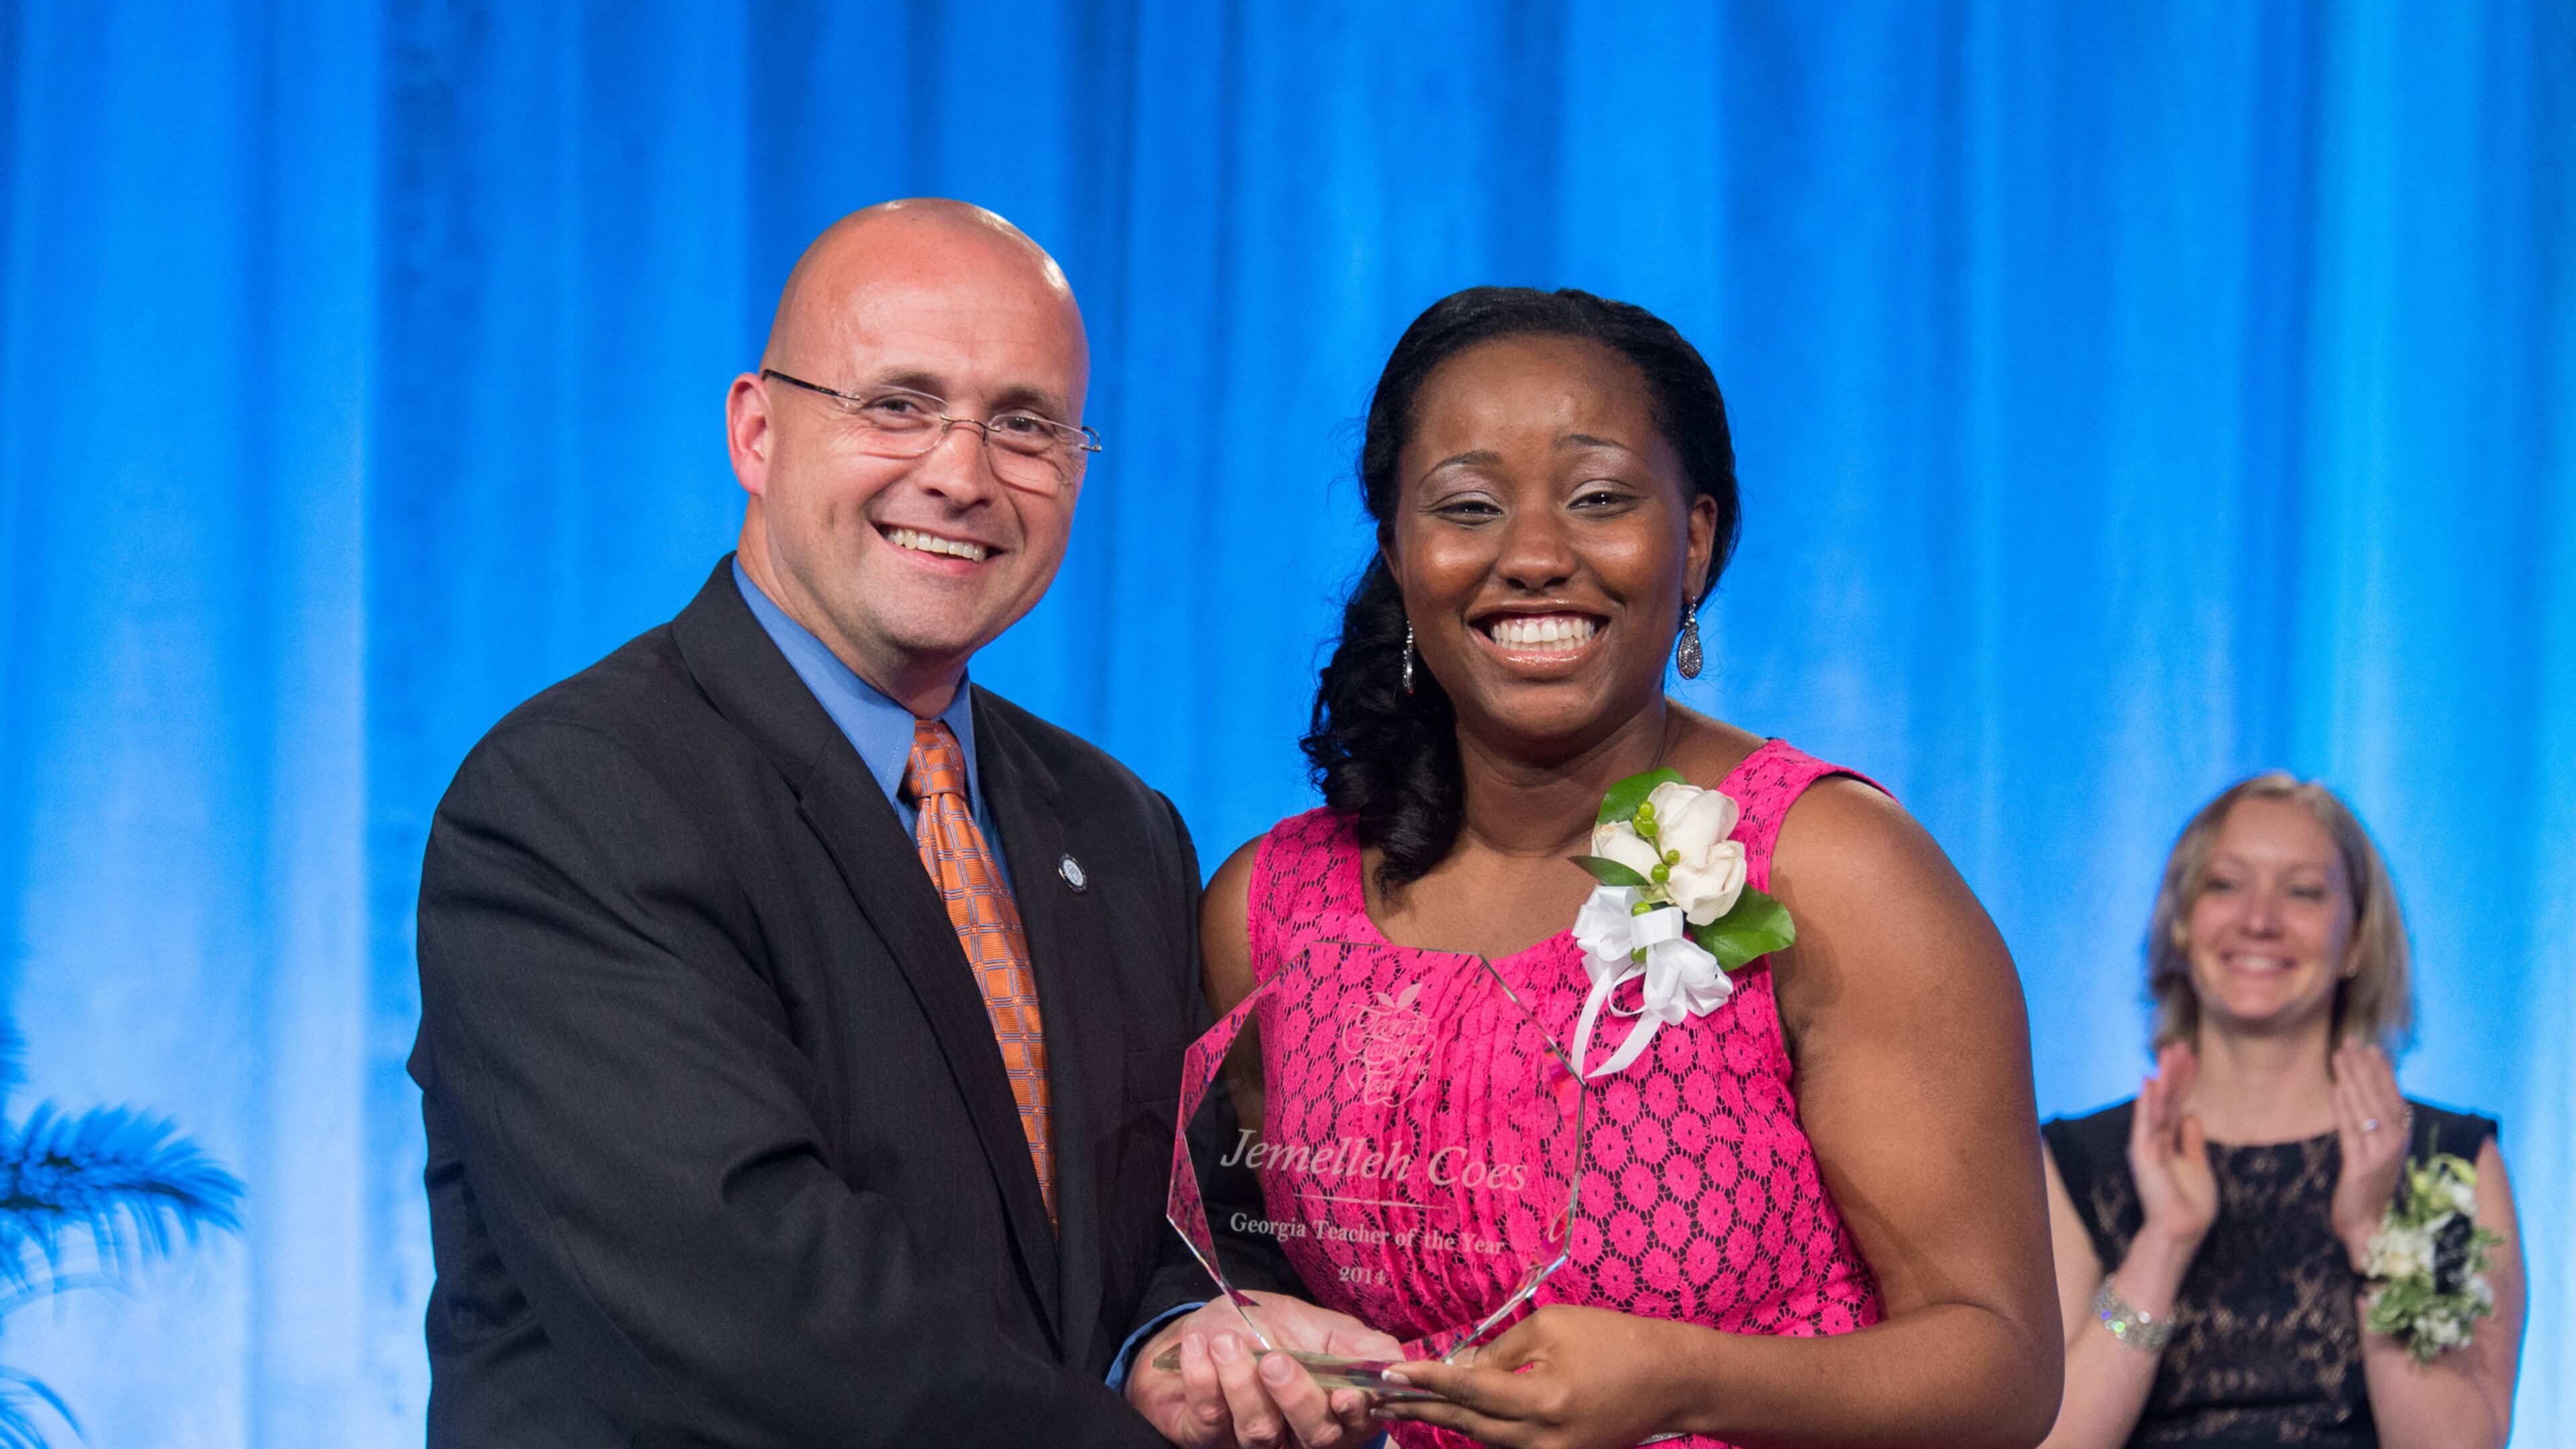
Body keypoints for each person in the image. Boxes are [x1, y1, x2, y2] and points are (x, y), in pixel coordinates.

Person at [409, 199, 1377, 1446]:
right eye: (897, 404)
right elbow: (753, 1311)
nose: (962, 475)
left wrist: (1185, 1339)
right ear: (757, 432)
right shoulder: (570, 801)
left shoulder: (1122, 825)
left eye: (1025, 425)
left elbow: (1183, 1225)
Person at [1141, 286, 2063, 1448]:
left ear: (1697, 539)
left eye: (1599, 498)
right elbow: (1218, 1280)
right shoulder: (1273, 909)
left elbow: (2004, 1366)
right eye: (1468, 505)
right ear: (1397, 550)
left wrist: (1689, 1379)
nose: (1533, 554)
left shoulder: (1831, 868)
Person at [2039, 774, 2526, 1448]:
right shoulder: (2080, 1164)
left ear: (2357, 940)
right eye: (2224, 885)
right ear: (2181, 923)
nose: (2259, 919)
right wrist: (2163, 1244)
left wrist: (2371, 1234)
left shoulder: (2444, 1160)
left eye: (2302, 891)